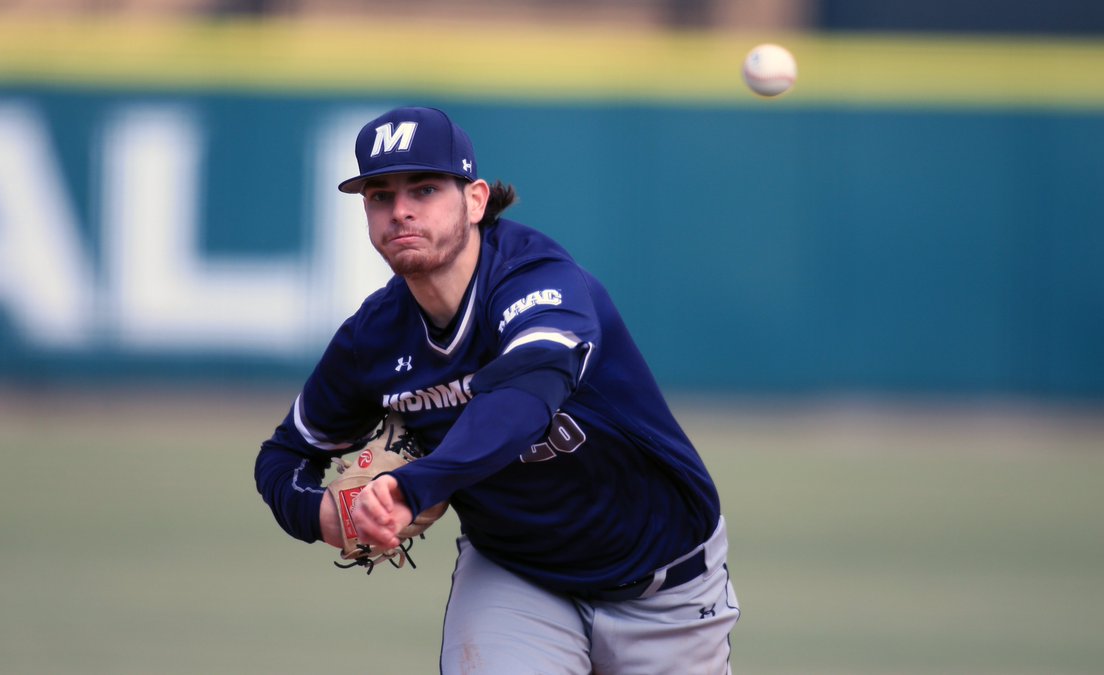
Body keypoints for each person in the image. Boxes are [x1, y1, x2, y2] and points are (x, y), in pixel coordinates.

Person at [254, 106, 740, 673]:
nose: (401, 210)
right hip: (516, 577)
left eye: (426, 188)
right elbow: (286, 453)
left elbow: (522, 400)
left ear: (476, 200)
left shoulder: (542, 280)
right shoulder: (374, 340)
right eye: (379, 195)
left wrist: (412, 486)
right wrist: (321, 517)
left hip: (665, 584)